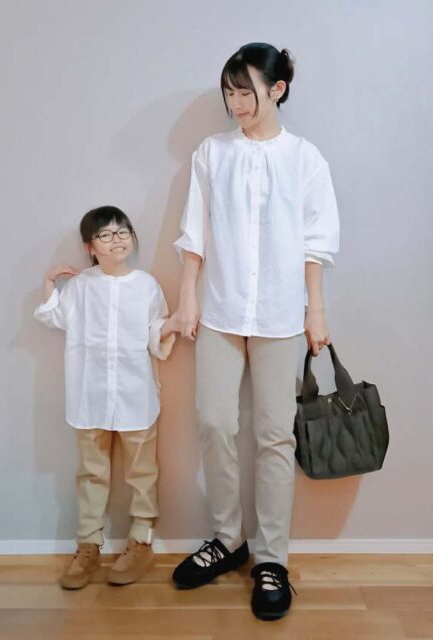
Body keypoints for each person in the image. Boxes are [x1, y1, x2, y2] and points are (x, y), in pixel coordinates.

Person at [171, 43, 340, 620]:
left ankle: (271, 559)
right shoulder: (211, 153)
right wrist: (187, 297)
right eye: (229, 93)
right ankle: (227, 539)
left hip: (279, 314)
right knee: (214, 422)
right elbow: (195, 233)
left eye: (246, 92)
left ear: (278, 89)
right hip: (219, 311)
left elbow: (316, 243)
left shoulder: (305, 159)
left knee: (274, 435)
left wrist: (315, 310)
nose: (236, 104)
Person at [33, 205, 179, 589]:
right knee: (91, 473)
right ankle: (88, 544)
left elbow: (156, 332)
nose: (117, 239)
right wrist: (49, 282)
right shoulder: (80, 287)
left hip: (136, 395)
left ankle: (141, 539)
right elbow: (55, 318)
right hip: (90, 396)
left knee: (142, 472)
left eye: (123, 231)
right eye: (106, 234)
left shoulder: (146, 286)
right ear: (90, 246)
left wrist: (173, 325)